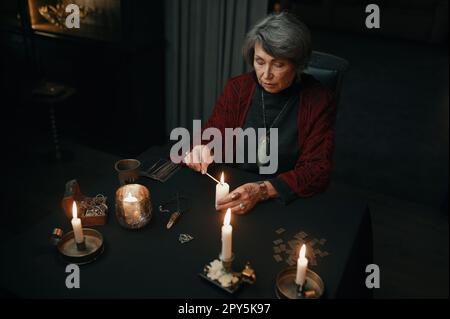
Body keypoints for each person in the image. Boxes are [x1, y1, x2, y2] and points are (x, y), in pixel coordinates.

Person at [184, 12, 336, 214]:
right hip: (234, 192)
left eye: (278, 64)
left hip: (283, 199)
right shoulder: (238, 89)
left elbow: (317, 171)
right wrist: (202, 148)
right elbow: (213, 132)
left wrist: (262, 190)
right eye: (260, 61)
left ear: (297, 64)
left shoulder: (318, 100)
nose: (266, 74)